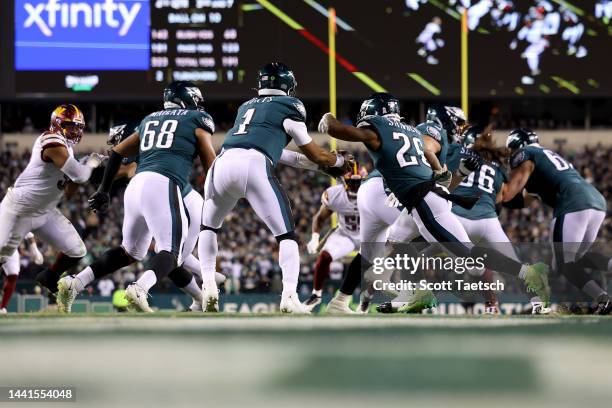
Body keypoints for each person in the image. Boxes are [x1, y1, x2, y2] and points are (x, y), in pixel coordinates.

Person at [318, 92, 551, 313]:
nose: (460, 129)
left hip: (423, 200)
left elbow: (342, 130)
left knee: (469, 258)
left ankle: (525, 272)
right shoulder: (410, 130)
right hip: (426, 195)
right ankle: (412, 292)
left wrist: (328, 118)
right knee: (398, 238)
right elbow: (427, 155)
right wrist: (441, 170)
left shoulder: (389, 128)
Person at [198, 62, 353, 314]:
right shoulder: (290, 106)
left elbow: (280, 153)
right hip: (253, 165)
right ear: (288, 86)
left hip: (222, 162)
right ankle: (289, 297)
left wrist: (322, 166)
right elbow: (314, 153)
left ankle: (208, 286)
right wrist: (337, 162)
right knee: (285, 236)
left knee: (208, 227)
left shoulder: (246, 106)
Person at [59, 81, 217, 312]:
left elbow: (116, 152)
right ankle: (140, 288)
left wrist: (104, 190)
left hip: (136, 186)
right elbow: (211, 165)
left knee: (129, 252)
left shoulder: (150, 119)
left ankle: (76, 282)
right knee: (170, 251)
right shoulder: (197, 119)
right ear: (188, 98)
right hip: (164, 183)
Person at [504, 128, 611, 314]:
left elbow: (511, 193)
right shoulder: (545, 156)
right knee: (571, 261)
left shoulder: (526, 154)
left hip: (573, 202)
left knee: (564, 263)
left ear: (517, 146)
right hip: (594, 200)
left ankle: (603, 299)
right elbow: (524, 200)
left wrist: (497, 196)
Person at [0, 104, 104, 296]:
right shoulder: (51, 139)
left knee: (76, 249)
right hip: (18, 209)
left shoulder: (67, 147)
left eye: (78, 127)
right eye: (71, 126)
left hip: (44, 211)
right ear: (57, 124)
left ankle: (49, 277)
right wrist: (91, 162)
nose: (76, 131)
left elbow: (69, 187)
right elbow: (80, 175)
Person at [303, 171, 361, 311]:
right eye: (352, 183)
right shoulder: (335, 194)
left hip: (369, 235)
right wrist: (315, 237)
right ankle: (316, 295)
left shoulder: (372, 193)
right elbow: (320, 218)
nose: (355, 187)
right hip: (346, 235)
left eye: (358, 183)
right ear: (345, 182)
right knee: (325, 256)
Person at [0, 233, 43, 313]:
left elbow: (28, 233)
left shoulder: (20, 221)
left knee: (13, 275)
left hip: (11, 246)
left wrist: (34, 249)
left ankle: (2, 308)